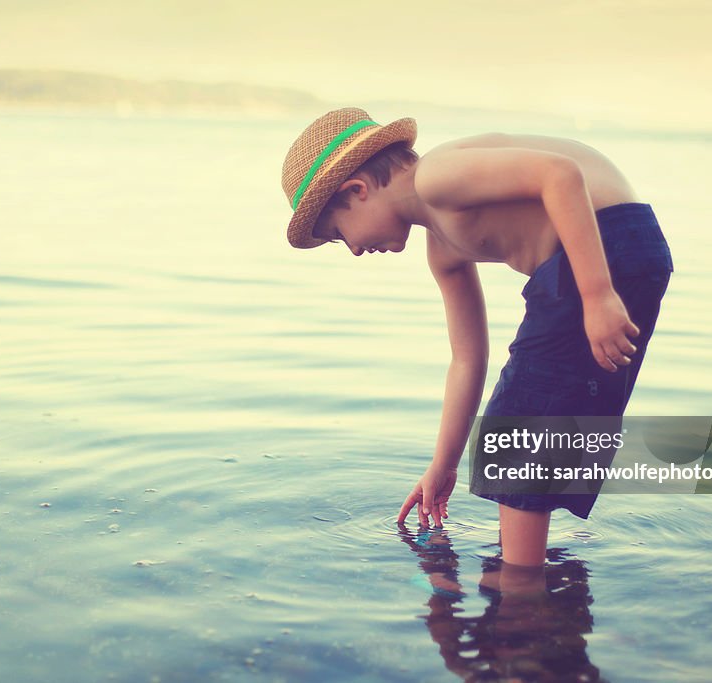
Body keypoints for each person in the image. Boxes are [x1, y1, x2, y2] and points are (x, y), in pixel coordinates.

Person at [280, 107, 673, 567]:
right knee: (544, 420)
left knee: (518, 426)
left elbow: (560, 175)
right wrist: (443, 464)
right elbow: (467, 358)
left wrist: (597, 294)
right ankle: (525, 574)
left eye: (336, 233)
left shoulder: (438, 177)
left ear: (357, 191)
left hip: (604, 245)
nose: (351, 248)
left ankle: (521, 584)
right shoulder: (443, 247)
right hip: (607, 257)